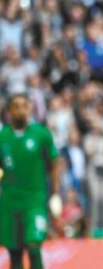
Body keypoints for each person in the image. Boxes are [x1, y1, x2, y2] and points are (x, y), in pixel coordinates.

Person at [0, 95, 62, 269]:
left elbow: (55, 164)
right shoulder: (2, 137)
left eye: (24, 106)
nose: (20, 110)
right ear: (9, 111)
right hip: (9, 202)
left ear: (30, 108)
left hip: (34, 201)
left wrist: (55, 194)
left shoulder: (41, 134)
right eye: (16, 106)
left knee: (34, 246)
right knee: (14, 251)